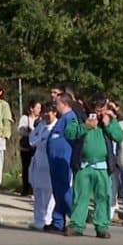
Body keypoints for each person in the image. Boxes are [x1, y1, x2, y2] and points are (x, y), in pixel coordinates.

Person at [64, 101, 123, 238]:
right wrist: (85, 126)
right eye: (98, 109)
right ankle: (77, 225)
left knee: (103, 197)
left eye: (103, 109)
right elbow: (69, 133)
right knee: (80, 197)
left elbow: (120, 136)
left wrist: (109, 124)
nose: (100, 113)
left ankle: (102, 226)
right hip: (83, 166)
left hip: (102, 167)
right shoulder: (79, 118)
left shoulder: (109, 120)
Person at [46, 93, 80, 233]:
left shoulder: (70, 118)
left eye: (57, 103)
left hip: (63, 159)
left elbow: (72, 136)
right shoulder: (62, 119)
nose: (55, 106)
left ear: (65, 104)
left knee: (65, 190)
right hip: (54, 160)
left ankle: (77, 220)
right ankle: (58, 221)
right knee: (58, 191)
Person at [28, 102, 58, 231]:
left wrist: (41, 142)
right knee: (38, 192)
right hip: (38, 160)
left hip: (50, 162)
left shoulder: (57, 126)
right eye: (44, 112)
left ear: (55, 113)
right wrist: (39, 142)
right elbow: (32, 140)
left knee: (49, 194)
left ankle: (48, 220)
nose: (46, 115)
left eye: (48, 112)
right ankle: (38, 220)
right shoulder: (41, 125)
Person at [18, 100, 43, 196]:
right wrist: (27, 130)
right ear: (31, 108)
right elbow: (20, 130)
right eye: (37, 108)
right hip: (26, 146)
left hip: (36, 146)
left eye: (40, 108)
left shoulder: (41, 120)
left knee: (35, 167)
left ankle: (34, 187)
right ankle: (25, 188)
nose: (39, 110)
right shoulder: (25, 118)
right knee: (26, 167)